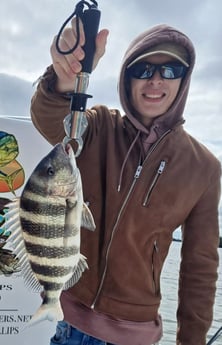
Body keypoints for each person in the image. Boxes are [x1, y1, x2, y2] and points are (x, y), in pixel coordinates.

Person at [31, 19, 221, 345]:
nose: (156, 81)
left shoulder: (204, 167)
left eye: (171, 70)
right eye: (143, 69)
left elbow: (199, 269)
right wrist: (63, 81)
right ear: (127, 77)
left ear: (185, 79)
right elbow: (51, 119)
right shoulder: (100, 126)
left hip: (136, 334)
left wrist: (191, 340)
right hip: (71, 325)